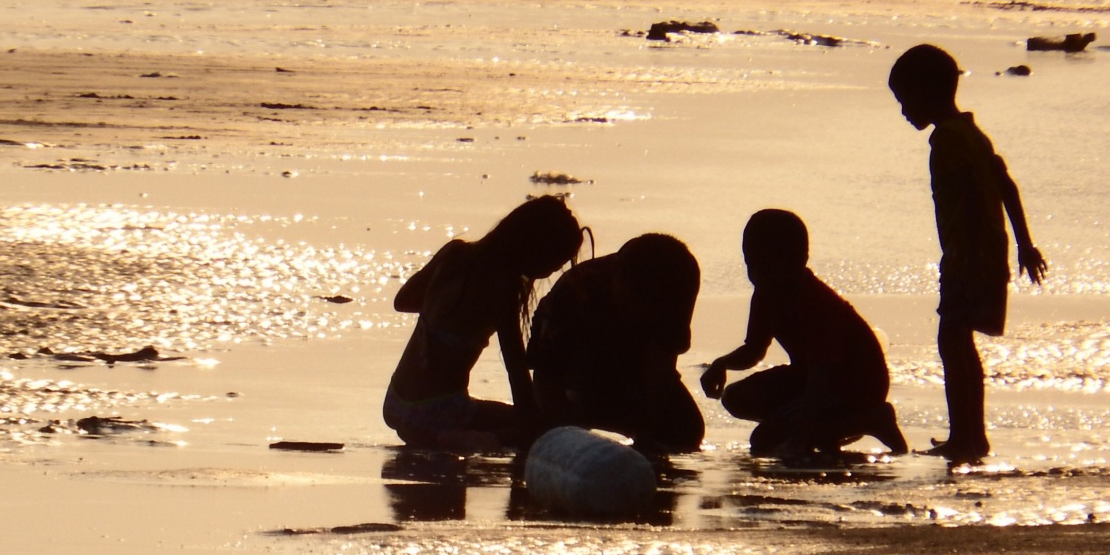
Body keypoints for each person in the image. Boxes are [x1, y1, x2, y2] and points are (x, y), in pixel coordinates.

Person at [887, 43, 1048, 463]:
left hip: (969, 258)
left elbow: (981, 197)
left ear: (928, 92)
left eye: (906, 100)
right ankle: (969, 435)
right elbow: (1006, 186)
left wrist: (967, 258)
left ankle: (968, 437)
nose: (904, 112)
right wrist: (1024, 243)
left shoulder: (949, 140)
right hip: (982, 254)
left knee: (953, 342)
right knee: (958, 342)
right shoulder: (972, 133)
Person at [701, 209, 908, 458]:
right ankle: (822, 429)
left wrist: (798, 438)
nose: (756, 274)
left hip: (853, 388)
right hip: (807, 377)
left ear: (798, 260)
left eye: (765, 265)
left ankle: (869, 419)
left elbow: (822, 378)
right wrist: (722, 364)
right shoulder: (765, 292)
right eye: (750, 264)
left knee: (764, 441)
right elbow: (754, 349)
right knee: (736, 397)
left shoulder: (816, 303)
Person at [383, 195, 583, 450]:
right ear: (536, 248)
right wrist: (534, 421)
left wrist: (445, 314)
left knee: (503, 416)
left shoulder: (453, 254)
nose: (554, 270)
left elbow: (404, 300)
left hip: (396, 403)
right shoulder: (502, 285)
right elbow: (515, 368)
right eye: (556, 260)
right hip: (437, 412)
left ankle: (436, 434)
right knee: (546, 429)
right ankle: (458, 439)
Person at [527, 232, 704, 452]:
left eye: (649, 309)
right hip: (577, 365)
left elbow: (661, 364)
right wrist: (566, 438)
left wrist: (648, 430)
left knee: (685, 431)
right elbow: (546, 375)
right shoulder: (576, 290)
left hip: (632, 363)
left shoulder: (681, 276)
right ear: (616, 276)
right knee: (560, 426)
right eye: (630, 302)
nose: (636, 314)